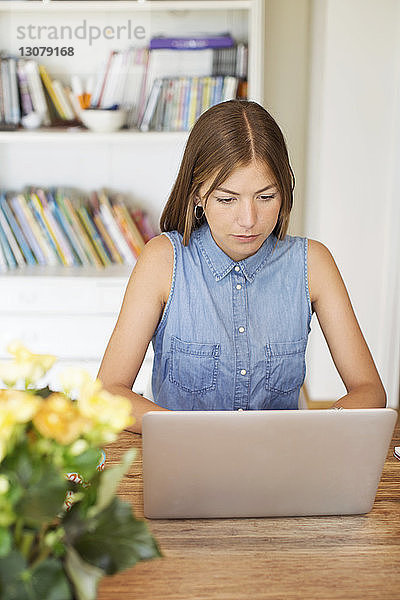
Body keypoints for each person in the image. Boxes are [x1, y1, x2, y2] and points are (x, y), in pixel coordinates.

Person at [97, 99, 386, 434]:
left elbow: (369, 391)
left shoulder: (314, 264)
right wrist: (194, 436)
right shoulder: (162, 261)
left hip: (279, 465)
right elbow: (108, 393)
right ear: (197, 195)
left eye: (266, 197)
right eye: (227, 199)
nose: (248, 221)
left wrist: (313, 434)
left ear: (285, 191)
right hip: (184, 461)